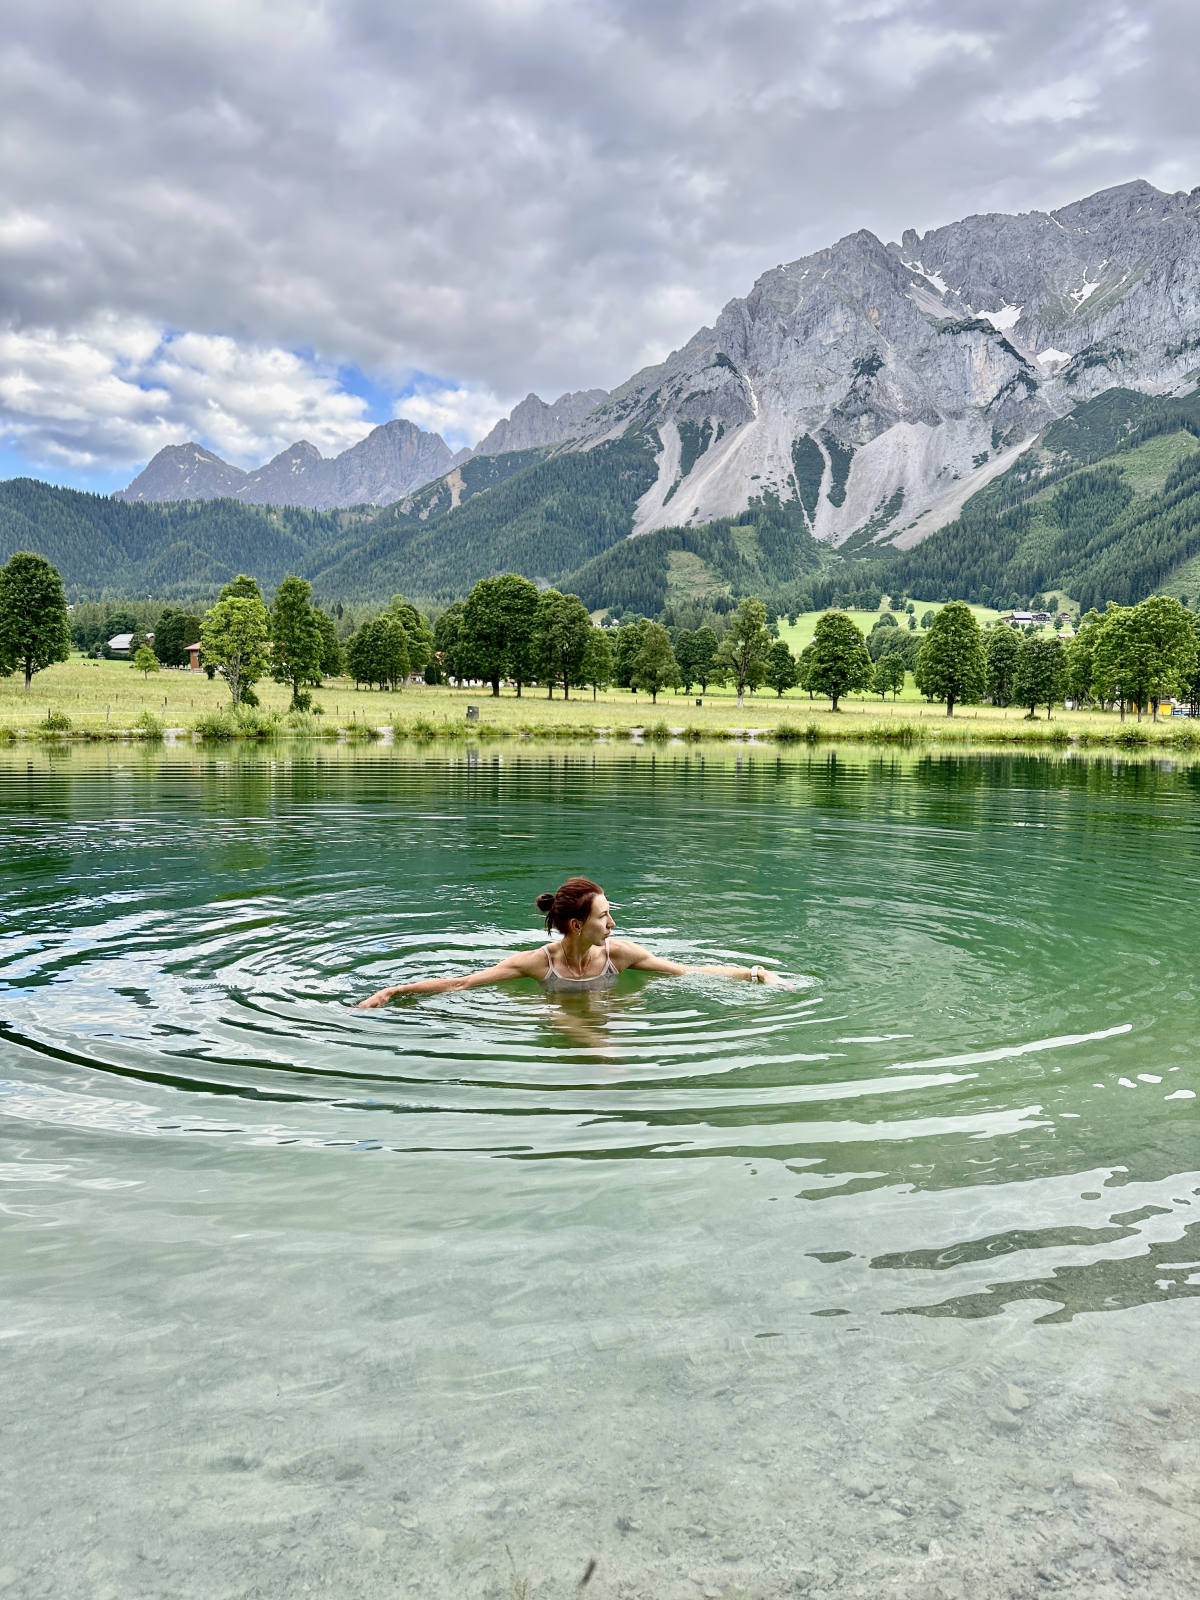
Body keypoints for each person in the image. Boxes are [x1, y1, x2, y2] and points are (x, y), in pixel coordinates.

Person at [355, 876, 789, 1007]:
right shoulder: (537, 964)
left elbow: (685, 970)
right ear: (578, 926)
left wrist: (752, 973)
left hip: (610, 1010)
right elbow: (463, 984)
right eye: (604, 916)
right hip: (558, 1013)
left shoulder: (617, 955)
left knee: (612, 1019)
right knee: (564, 1019)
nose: (613, 924)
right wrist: (393, 990)